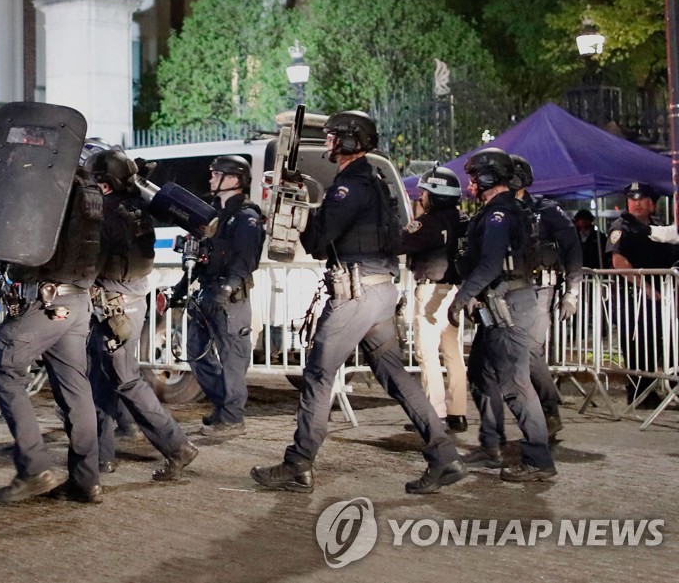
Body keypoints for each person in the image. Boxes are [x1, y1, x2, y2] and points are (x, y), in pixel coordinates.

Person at [250, 111, 465, 495]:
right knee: (395, 376)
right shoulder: (375, 181)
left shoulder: (348, 186)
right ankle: (444, 455)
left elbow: (318, 243)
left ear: (350, 142)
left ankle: (298, 464)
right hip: (377, 291)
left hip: (356, 293)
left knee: (318, 375)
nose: (329, 143)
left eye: (334, 138)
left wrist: (298, 209)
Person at [0, 163, 105, 504]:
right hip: (78, 299)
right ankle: (86, 481)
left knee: (4, 368)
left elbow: (29, 242)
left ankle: (34, 468)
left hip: (48, 299)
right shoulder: (91, 190)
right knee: (76, 391)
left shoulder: (53, 187)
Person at [87, 148, 198, 481]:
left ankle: (177, 446)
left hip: (113, 306)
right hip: (127, 303)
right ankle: (100, 456)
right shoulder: (135, 209)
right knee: (101, 382)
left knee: (125, 381)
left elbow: (92, 261)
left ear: (104, 184)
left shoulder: (106, 214)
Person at [452, 147, 556, 483]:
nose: (469, 185)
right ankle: (491, 445)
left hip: (507, 306)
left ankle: (538, 459)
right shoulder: (498, 210)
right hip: (498, 306)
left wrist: (461, 297)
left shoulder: (500, 214)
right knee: (481, 374)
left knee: (515, 385)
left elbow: (490, 263)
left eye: (473, 177)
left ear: (487, 177)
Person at [170, 154, 264, 438]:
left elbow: (246, 260)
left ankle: (233, 418)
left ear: (232, 179)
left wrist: (226, 289)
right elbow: (202, 257)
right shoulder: (212, 216)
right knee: (196, 354)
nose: (210, 178)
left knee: (233, 359)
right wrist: (180, 288)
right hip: (206, 294)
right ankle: (223, 406)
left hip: (230, 300)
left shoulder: (246, 217)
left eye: (215, 173)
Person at [509, 155, 582, 441]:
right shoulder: (497, 210)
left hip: (539, 289)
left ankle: (548, 409)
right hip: (507, 290)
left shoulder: (546, 210)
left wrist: (572, 292)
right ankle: (536, 415)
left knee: (529, 348)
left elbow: (572, 249)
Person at [400, 165, 469, 433]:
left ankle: (434, 414)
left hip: (431, 290)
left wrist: (415, 219)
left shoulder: (429, 222)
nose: (421, 197)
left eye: (425, 192)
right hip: (454, 291)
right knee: (452, 352)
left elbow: (403, 241)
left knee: (427, 353)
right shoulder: (462, 219)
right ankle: (458, 412)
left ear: (437, 195)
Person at [605, 181, 678, 409]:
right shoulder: (622, 226)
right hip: (633, 297)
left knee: (660, 345)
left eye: (642, 199)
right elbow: (618, 261)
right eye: (632, 199)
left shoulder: (657, 229)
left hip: (660, 299)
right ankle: (639, 394)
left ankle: (659, 390)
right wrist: (647, 289)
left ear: (652, 204)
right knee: (637, 346)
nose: (636, 204)